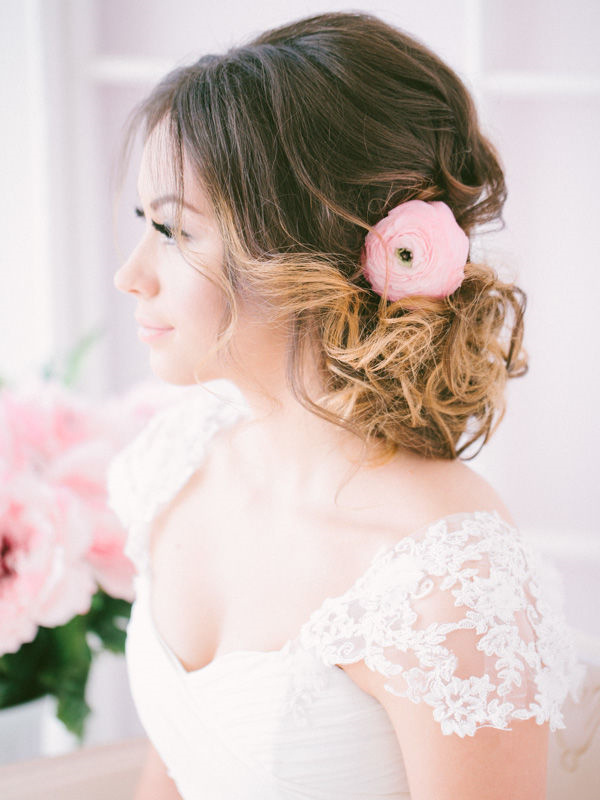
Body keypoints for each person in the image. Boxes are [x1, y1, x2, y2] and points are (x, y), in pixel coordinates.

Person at [108, 11, 585, 800]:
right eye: (144, 224)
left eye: (173, 230)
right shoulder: (181, 461)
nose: (131, 274)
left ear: (309, 250)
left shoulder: (444, 582)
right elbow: (174, 767)